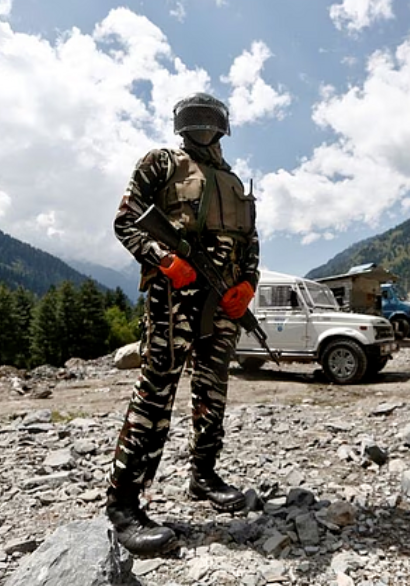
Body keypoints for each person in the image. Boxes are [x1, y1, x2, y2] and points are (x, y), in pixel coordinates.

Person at [106, 92, 260, 557]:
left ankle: (203, 476)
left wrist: (247, 285)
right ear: (181, 126)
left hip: (223, 301)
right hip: (173, 296)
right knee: (156, 391)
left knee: (213, 390)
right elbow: (127, 221)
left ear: (223, 127)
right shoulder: (160, 162)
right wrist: (163, 258)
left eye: (209, 122)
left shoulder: (233, 180)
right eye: (195, 122)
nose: (202, 129)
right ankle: (124, 505)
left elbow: (250, 241)